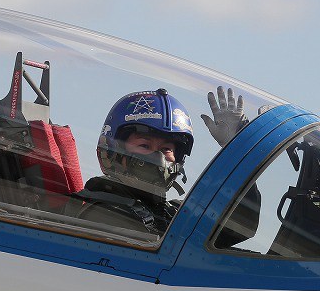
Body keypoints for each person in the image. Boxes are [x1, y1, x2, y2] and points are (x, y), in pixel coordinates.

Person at [71, 87, 259, 238]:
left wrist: (239, 146)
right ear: (114, 153)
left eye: (166, 149)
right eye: (144, 145)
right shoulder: (104, 215)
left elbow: (239, 227)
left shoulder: (168, 214)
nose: (158, 158)